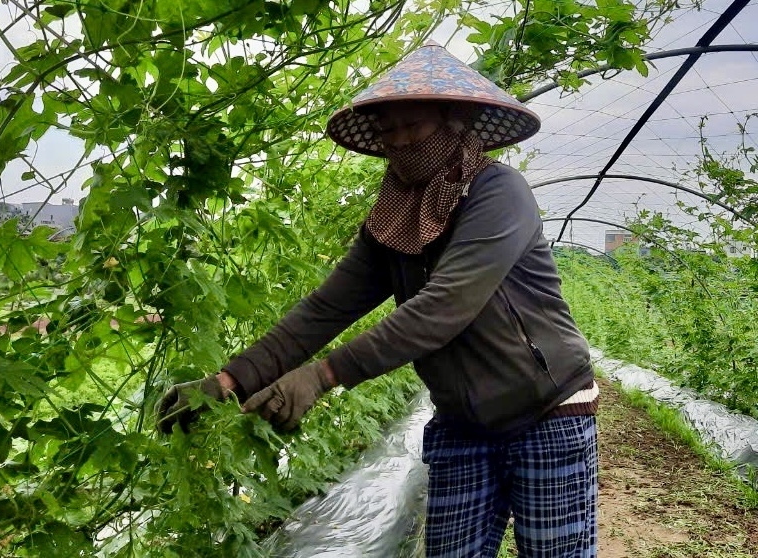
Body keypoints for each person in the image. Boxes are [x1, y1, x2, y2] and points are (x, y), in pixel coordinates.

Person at [157, 41, 599, 557]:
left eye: (412, 126)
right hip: (463, 424)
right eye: (388, 131)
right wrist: (228, 382)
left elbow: (444, 306)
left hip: (547, 412)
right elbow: (325, 309)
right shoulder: (391, 219)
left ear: (454, 121)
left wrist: (323, 376)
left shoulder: (498, 193)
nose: (399, 142)